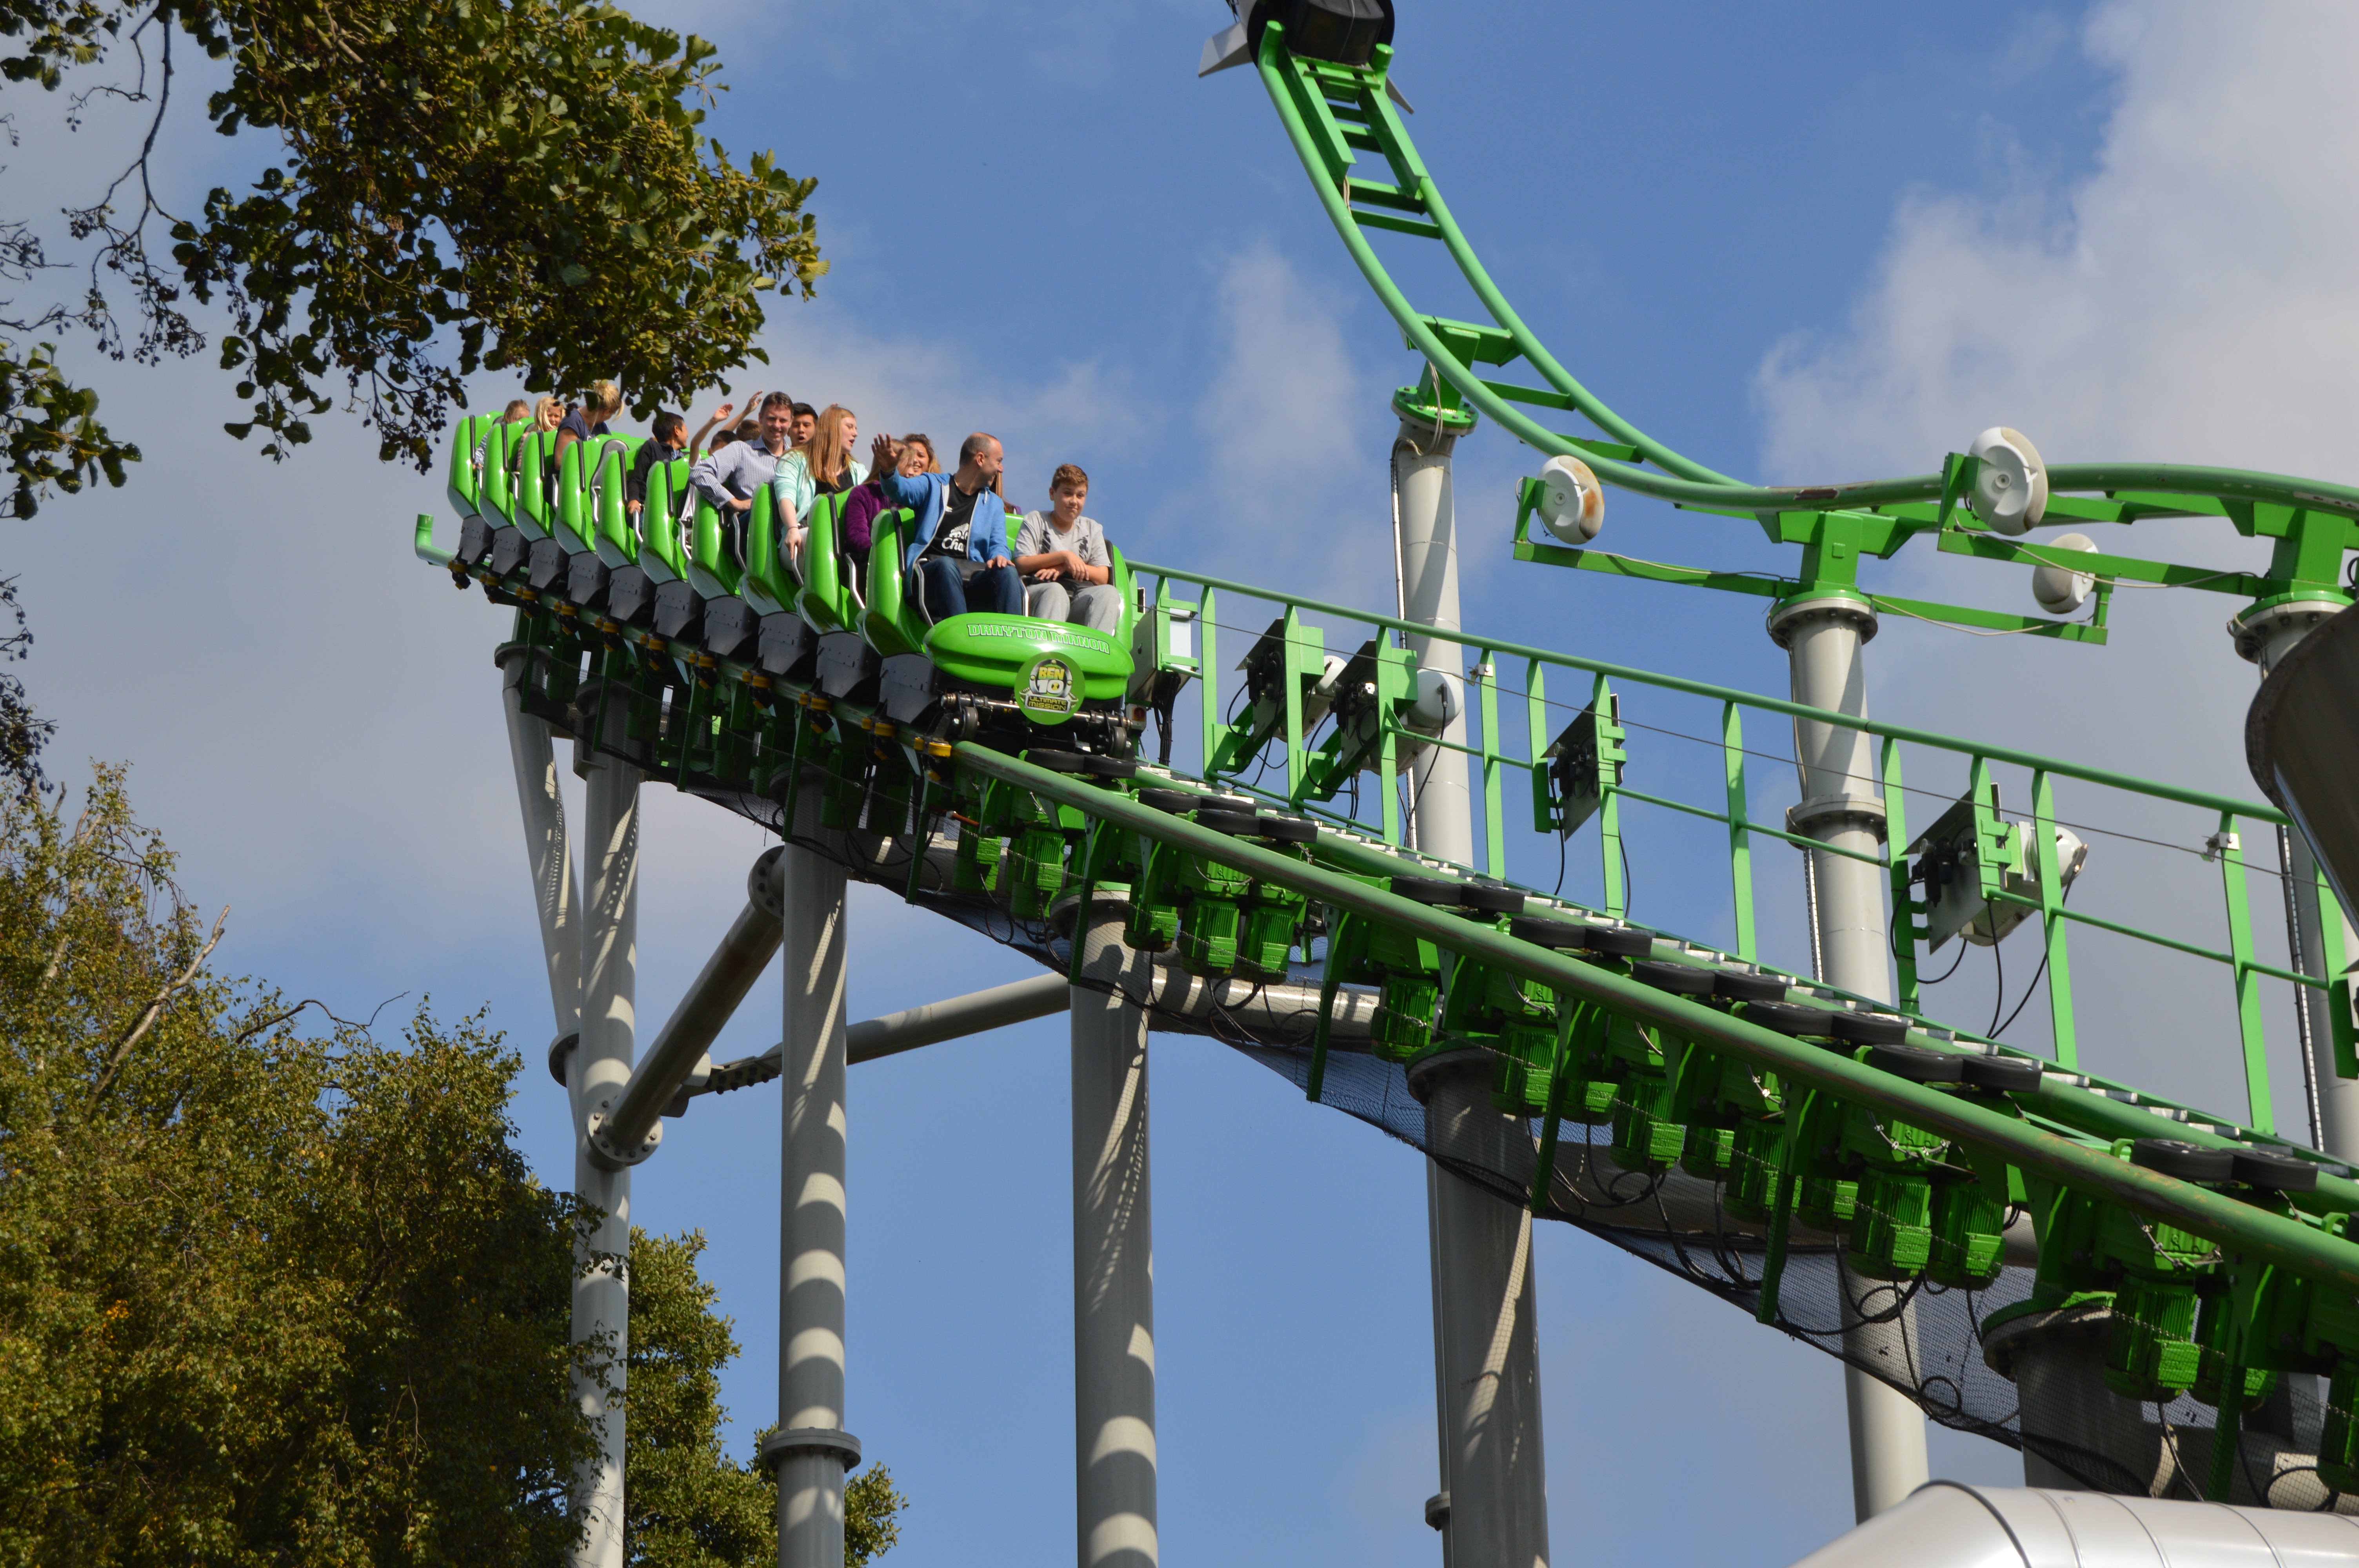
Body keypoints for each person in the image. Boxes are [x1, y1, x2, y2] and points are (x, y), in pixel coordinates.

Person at [880, 431, 1023, 622]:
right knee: (947, 565)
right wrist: (890, 472)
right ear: (980, 459)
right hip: (930, 579)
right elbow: (900, 490)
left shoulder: (994, 504)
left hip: (971, 582)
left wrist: (1001, 557)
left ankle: (1011, 642)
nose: (1001, 468)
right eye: (999, 461)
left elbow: (998, 543)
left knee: (1007, 571)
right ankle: (961, 640)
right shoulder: (933, 485)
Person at [689, 391, 795, 564]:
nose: (777, 425)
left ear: (790, 422)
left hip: (787, 530)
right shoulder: (741, 450)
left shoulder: (796, 459)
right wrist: (735, 502)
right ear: (761, 418)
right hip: (748, 531)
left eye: (783, 421)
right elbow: (699, 472)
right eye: (772, 419)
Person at [1013, 464, 1120, 632]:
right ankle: (1048, 653)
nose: (1074, 501)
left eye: (1080, 496)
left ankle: (1093, 655)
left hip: (1078, 596)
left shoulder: (1092, 528)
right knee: (1056, 591)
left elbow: (1102, 576)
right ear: (1052, 494)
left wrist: (1066, 566)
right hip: (1041, 592)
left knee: (1109, 594)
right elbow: (1021, 563)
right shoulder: (1036, 520)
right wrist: (1064, 556)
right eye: (1068, 493)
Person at [772, 406, 865, 572]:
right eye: (850, 427)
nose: (855, 434)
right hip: (802, 536)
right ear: (833, 428)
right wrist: (793, 528)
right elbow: (786, 497)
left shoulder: (858, 471)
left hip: (844, 540)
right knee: (820, 540)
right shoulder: (794, 459)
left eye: (856, 429)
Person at [843, 432, 938, 582]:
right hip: (872, 566)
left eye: (914, 467)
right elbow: (857, 537)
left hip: (908, 567)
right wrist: (887, 553)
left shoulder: (911, 501)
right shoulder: (863, 493)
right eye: (908, 466)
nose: (912, 472)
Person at [627, 410, 688, 537]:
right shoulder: (652, 448)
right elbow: (636, 479)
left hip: (676, 515)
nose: (688, 435)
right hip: (650, 512)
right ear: (677, 430)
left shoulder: (685, 459)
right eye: (686, 429)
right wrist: (634, 499)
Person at [556, 380, 621, 462]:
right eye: (612, 414)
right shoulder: (573, 421)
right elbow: (561, 461)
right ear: (607, 412)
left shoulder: (602, 427)